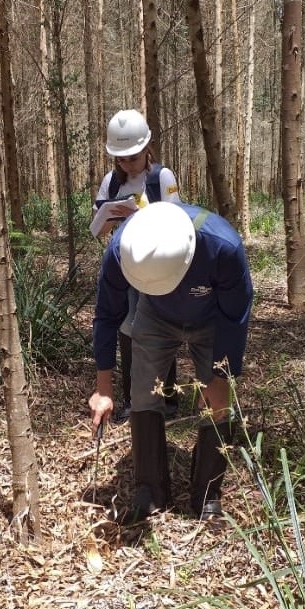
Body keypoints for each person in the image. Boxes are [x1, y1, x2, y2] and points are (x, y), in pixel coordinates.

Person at [88, 201, 253, 522]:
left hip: (213, 319)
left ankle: (207, 494)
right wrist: (103, 387)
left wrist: (221, 379)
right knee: (142, 392)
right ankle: (150, 489)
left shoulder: (223, 246)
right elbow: (107, 314)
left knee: (219, 403)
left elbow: (235, 318)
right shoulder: (122, 249)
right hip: (154, 317)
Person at [92, 109, 181, 421]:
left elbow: (177, 221)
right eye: (121, 159)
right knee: (127, 330)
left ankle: (167, 401)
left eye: (133, 157)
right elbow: (98, 227)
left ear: (146, 149)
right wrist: (111, 215)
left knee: (162, 327)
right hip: (125, 267)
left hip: (158, 265)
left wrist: (144, 216)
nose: (127, 164)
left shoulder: (162, 178)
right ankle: (133, 402)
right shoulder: (110, 182)